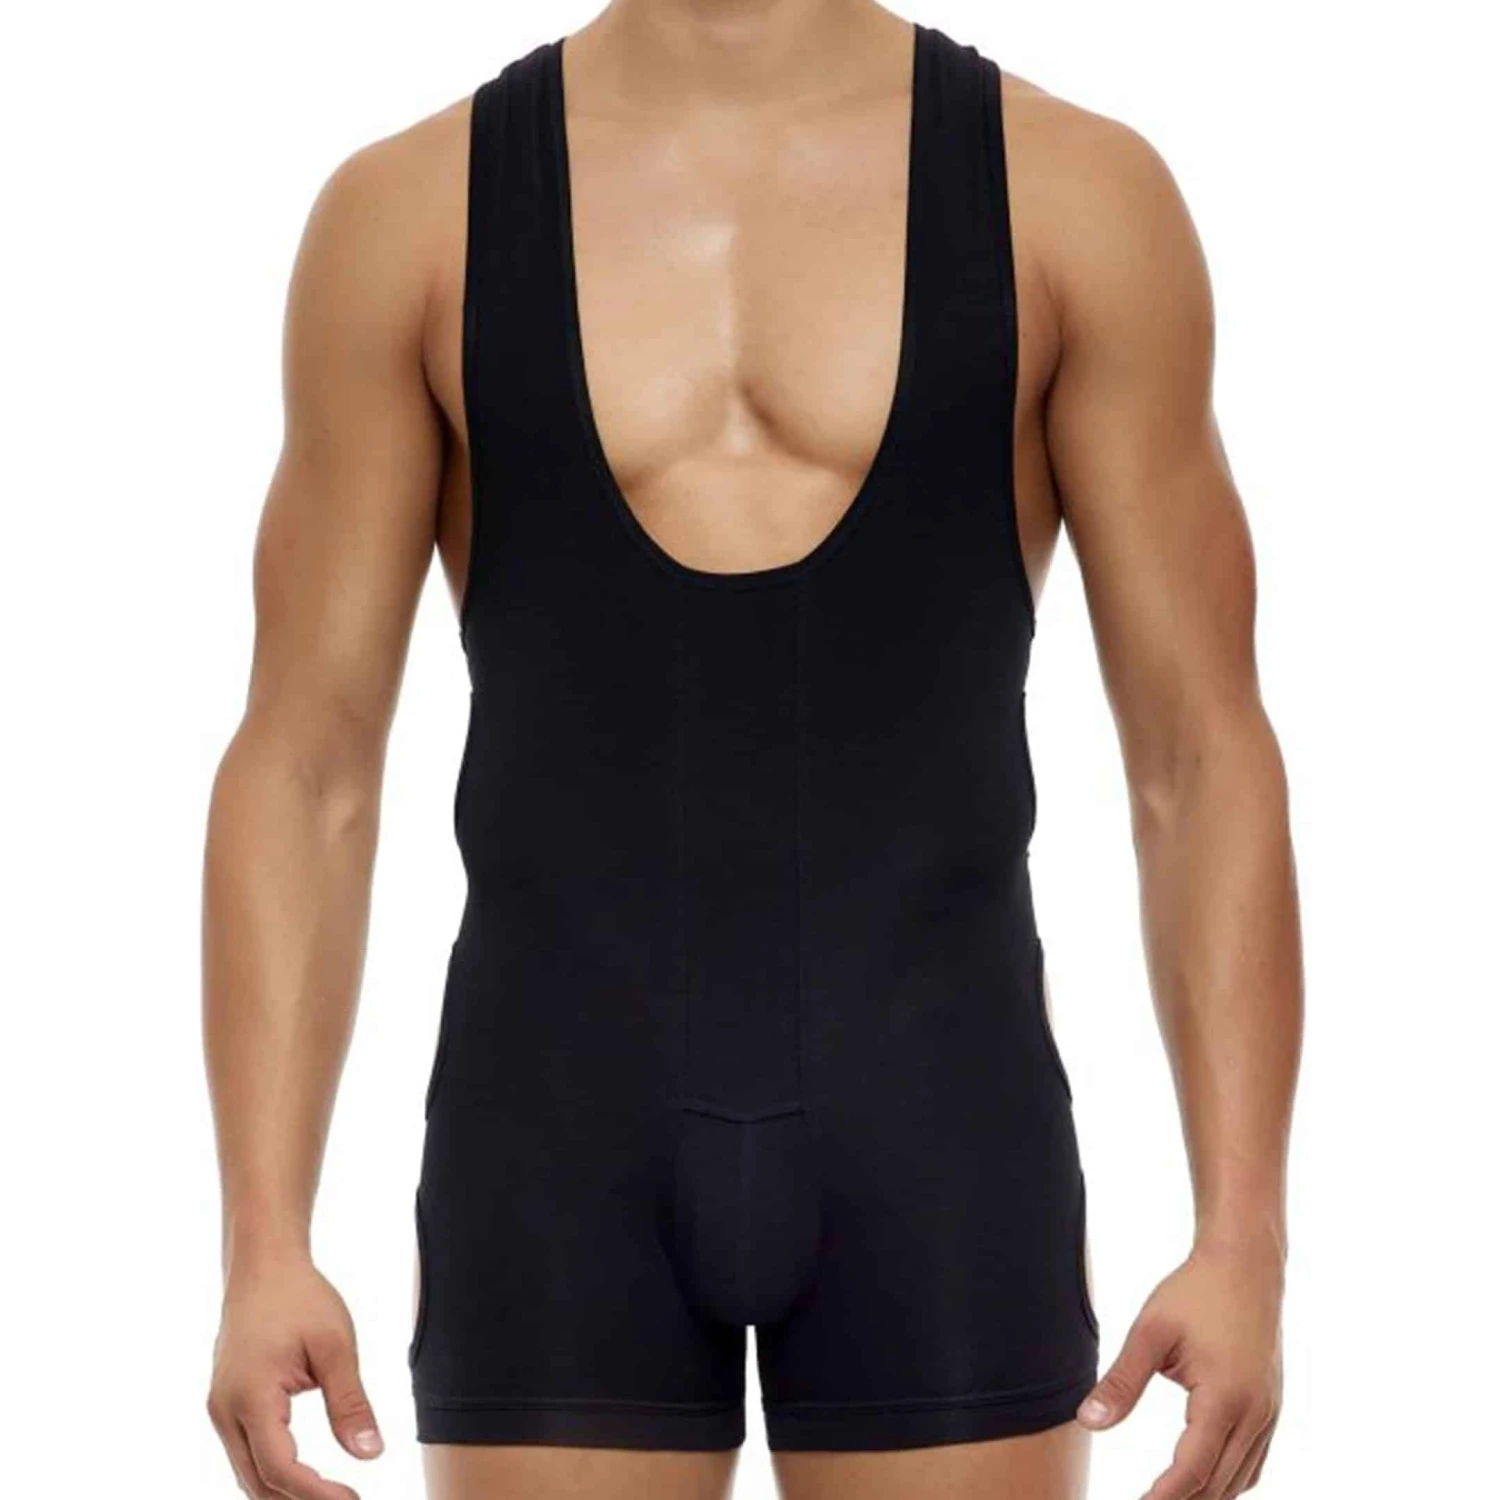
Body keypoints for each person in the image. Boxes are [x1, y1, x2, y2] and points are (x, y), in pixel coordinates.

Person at [202, 2, 1303, 1497]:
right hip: (552, 1136)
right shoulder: (408, 217)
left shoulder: (1077, 197)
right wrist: (262, 1240)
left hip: (940, 1123)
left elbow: (1197, 750)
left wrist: (1245, 1237)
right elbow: (306, 762)